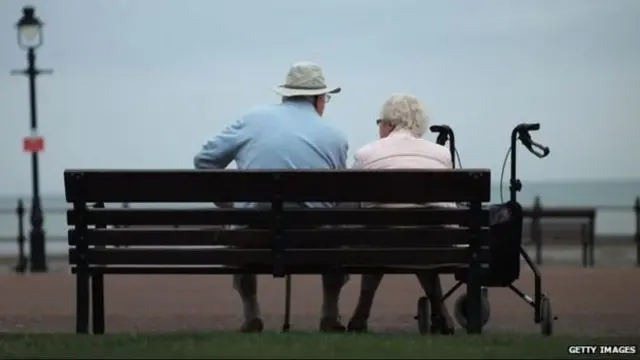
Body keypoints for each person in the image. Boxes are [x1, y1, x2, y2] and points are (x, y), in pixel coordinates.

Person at [193, 61, 350, 333]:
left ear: (285, 94)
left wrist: (231, 205)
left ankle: (251, 312)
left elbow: (204, 162)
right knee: (335, 232)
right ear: (318, 98)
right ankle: (329, 313)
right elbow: (336, 198)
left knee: (238, 228)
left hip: (253, 236)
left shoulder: (253, 120)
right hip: (314, 241)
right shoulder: (335, 136)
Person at [346, 93, 456, 334]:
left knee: (380, 233)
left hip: (380, 243)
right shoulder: (441, 154)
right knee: (419, 237)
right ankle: (441, 313)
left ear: (388, 124)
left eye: (379, 123)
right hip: (433, 243)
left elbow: (352, 201)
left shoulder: (366, 154)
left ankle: (361, 314)